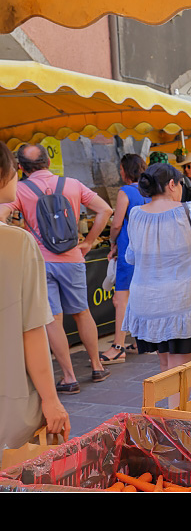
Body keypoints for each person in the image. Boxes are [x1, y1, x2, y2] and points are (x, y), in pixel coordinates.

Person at [0, 144, 113, 395]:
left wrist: (23, 236)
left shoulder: (19, 189)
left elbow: (1, 216)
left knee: (52, 320)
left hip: (41, 261)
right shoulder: (72, 184)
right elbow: (105, 209)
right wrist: (88, 242)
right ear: (48, 161)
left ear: (20, 167)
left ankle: (69, 377)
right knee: (83, 313)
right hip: (72, 258)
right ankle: (96, 366)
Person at [123, 163, 191, 391]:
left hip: (147, 303)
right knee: (180, 371)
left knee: (165, 367)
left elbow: (131, 256)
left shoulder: (136, 214)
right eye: (180, 183)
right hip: (182, 301)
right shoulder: (188, 210)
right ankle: (174, 418)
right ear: (172, 184)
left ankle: (167, 416)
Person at [0, 141, 70, 451]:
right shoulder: (16, 243)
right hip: (9, 406)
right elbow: (32, 330)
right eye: (15, 170)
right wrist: (52, 400)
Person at [100, 154, 150, 364]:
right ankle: (141, 342)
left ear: (125, 170)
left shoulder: (126, 192)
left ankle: (117, 347)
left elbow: (117, 223)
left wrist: (112, 243)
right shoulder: (150, 192)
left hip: (128, 252)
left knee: (121, 300)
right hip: (148, 253)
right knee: (139, 297)